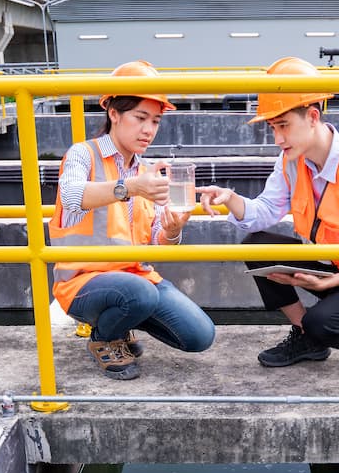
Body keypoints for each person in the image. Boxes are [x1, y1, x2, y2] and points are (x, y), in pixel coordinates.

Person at [198, 56, 339, 373]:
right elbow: (264, 212)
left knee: (322, 323)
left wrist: (331, 283)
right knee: (257, 245)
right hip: (330, 265)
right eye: (273, 128)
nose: (277, 139)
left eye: (283, 126)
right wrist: (229, 198)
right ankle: (305, 335)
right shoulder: (290, 161)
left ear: (312, 117)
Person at [49, 60, 215, 380]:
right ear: (113, 113)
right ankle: (104, 338)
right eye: (140, 118)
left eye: (155, 121)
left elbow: (156, 242)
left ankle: (121, 323)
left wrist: (172, 229)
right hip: (83, 282)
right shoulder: (84, 154)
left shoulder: (145, 171)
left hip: (136, 279)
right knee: (140, 294)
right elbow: (71, 196)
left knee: (199, 336)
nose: (148, 130)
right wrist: (129, 188)